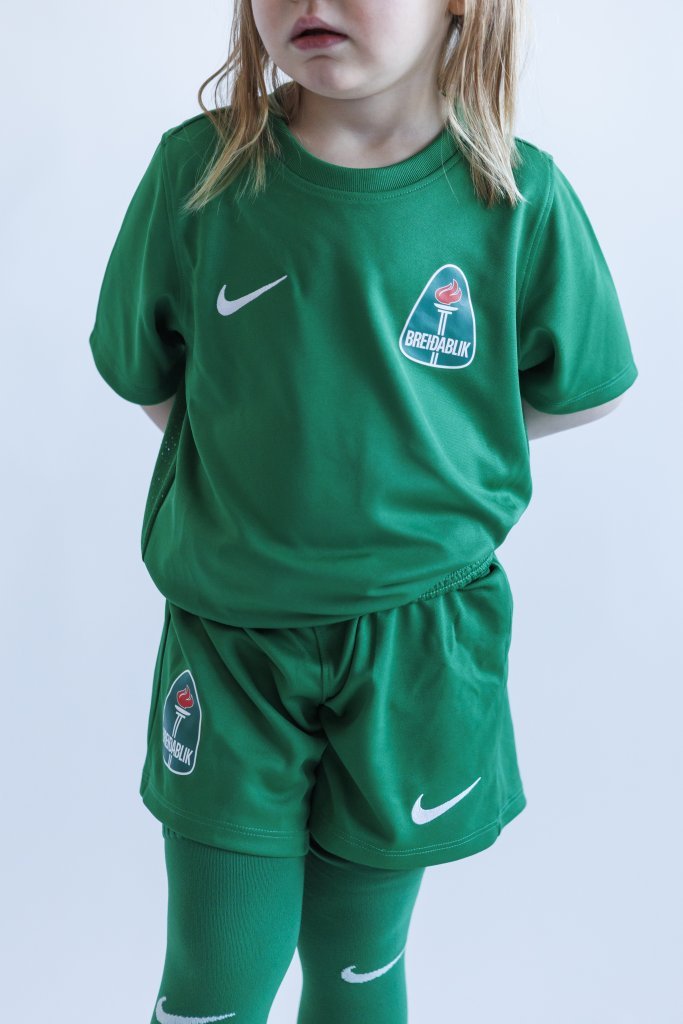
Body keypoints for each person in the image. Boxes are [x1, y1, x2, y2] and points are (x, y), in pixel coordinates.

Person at [88, 1, 639, 1021]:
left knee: (357, 966)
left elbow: (586, 387)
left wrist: (433, 453)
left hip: (416, 645)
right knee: (214, 979)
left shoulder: (515, 196)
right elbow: (152, 375)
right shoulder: (198, 174)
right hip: (231, 646)